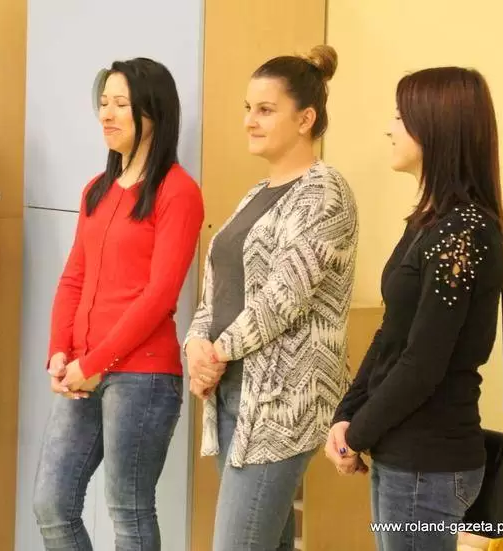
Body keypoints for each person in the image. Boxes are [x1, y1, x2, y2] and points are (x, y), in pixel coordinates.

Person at [326, 67, 503, 551]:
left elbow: (423, 363)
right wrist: (347, 417)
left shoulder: (463, 232)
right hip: (403, 454)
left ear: (435, 126)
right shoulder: (430, 223)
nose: (389, 129)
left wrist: (357, 434)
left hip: (429, 462)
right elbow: (391, 334)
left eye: (399, 117)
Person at [184, 45, 359, 551]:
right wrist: (194, 345)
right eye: (248, 108)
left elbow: (283, 298)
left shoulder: (325, 192)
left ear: (306, 119)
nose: (249, 121)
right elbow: (216, 288)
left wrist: (213, 354)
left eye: (265, 109)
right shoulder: (255, 193)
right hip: (232, 394)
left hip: (282, 404)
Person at [32, 57, 204, 551]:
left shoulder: (178, 192)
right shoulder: (97, 189)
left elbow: (160, 296)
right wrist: (59, 352)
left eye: (120, 104)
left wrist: (93, 363)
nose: (106, 114)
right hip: (82, 369)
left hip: (142, 375)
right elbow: (73, 278)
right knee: (52, 505)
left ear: (153, 112)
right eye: (103, 103)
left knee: (128, 511)